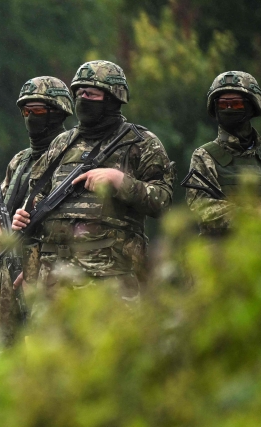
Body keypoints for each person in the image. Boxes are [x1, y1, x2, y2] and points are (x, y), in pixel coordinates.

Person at [12, 61, 175, 298]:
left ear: (112, 98)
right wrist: (24, 218)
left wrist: (120, 181)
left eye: (91, 93)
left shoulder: (141, 143)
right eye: (78, 93)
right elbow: (37, 207)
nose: (82, 98)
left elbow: (163, 203)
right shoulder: (61, 144)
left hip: (111, 282)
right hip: (55, 282)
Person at [0, 76, 73, 345]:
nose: (31, 117)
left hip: (48, 273)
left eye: (39, 111)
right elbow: (2, 202)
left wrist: (41, 267)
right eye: (26, 111)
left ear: (58, 112)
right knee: (8, 355)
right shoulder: (20, 160)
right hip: (9, 269)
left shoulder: (71, 158)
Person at [186, 71, 261, 235]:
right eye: (223, 104)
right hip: (221, 257)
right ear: (215, 108)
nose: (228, 108)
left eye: (236, 104)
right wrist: (254, 216)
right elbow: (204, 209)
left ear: (252, 106)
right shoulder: (204, 156)